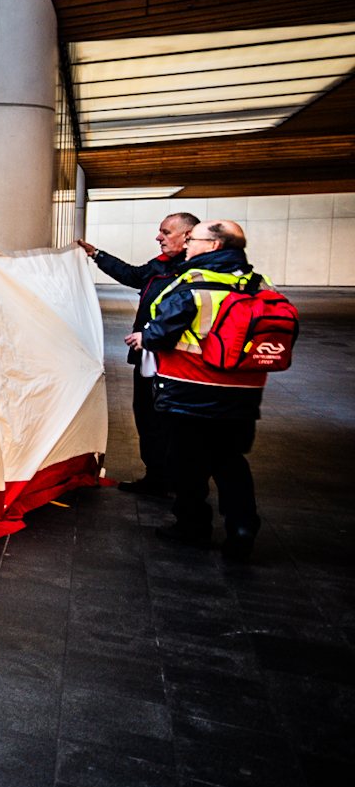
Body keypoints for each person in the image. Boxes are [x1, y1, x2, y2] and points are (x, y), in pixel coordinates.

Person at [130, 219, 265, 560]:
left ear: (214, 246)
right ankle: (242, 529)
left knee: (187, 461)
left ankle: (192, 526)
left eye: (194, 239)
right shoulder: (258, 284)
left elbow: (161, 333)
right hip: (243, 393)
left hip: (193, 389)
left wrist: (144, 337)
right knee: (230, 460)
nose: (188, 244)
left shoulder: (192, 282)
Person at [76, 211, 199, 495]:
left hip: (174, 362)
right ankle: (158, 476)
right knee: (147, 417)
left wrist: (152, 336)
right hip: (148, 358)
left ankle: (172, 479)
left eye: (166, 232)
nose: (159, 237)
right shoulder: (163, 265)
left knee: (166, 422)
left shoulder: (193, 274)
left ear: (187, 236)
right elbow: (133, 275)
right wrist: (97, 255)